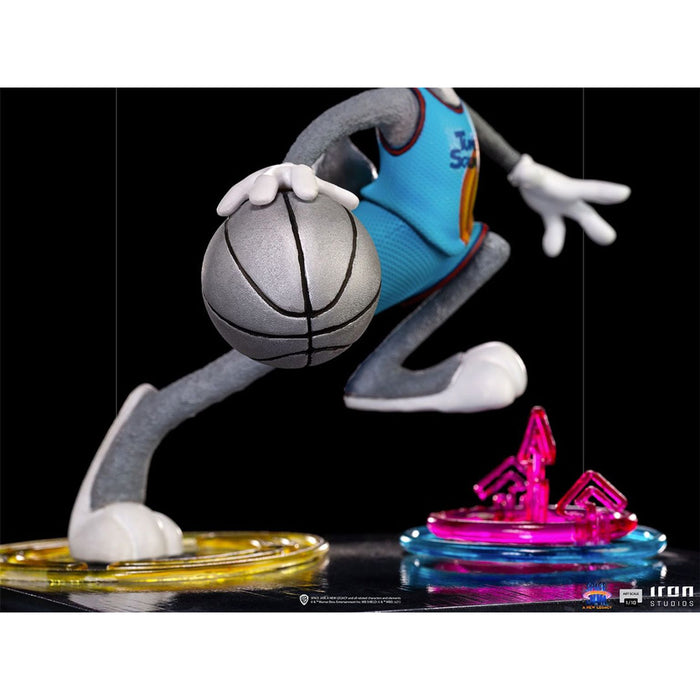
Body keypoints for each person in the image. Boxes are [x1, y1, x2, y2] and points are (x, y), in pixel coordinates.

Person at [68, 88, 630, 562]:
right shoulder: (404, 101)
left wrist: (529, 173)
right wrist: (296, 169)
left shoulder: (448, 101)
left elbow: (482, 140)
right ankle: (120, 470)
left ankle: (383, 380)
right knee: (252, 359)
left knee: (492, 252)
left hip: (440, 250)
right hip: (371, 251)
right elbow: (333, 125)